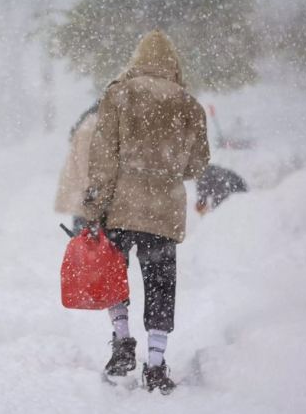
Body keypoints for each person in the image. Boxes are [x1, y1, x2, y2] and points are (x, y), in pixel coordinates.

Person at [82, 30, 210, 393]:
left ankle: (122, 344)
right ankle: (155, 365)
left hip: (121, 206)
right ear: (173, 63)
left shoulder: (119, 94)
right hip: (164, 212)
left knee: (114, 277)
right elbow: (197, 165)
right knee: (160, 284)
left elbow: (103, 158)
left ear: (137, 58)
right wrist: (166, 169)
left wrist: (94, 208)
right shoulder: (188, 104)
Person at [54, 101, 99, 234]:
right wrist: (92, 190)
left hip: (85, 194)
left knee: (88, 241)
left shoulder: (93, 122)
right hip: (84, 193)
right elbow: (85, 165)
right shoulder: (91, 126)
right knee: (86, 242)